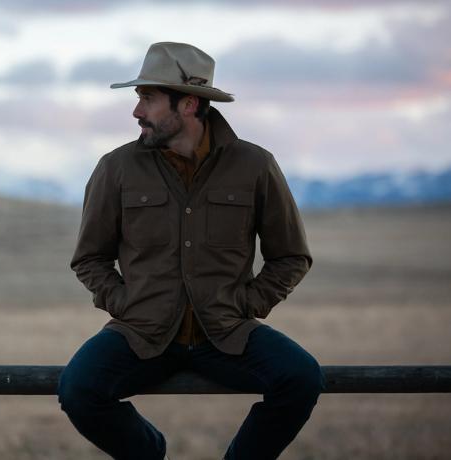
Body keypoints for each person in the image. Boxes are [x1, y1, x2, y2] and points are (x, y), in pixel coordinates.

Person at [58, 42, 325, 460]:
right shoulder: (116, 167)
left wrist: (246, 303)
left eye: (148, 98)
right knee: (77, 390)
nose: (137, 112)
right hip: (142, 334)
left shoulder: (255, 165)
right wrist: (125, 302)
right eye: (138, 98)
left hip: (227, 334)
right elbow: (89, 258)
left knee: (302, 378)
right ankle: (150, 453)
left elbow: (291, 256)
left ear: (188, 104)